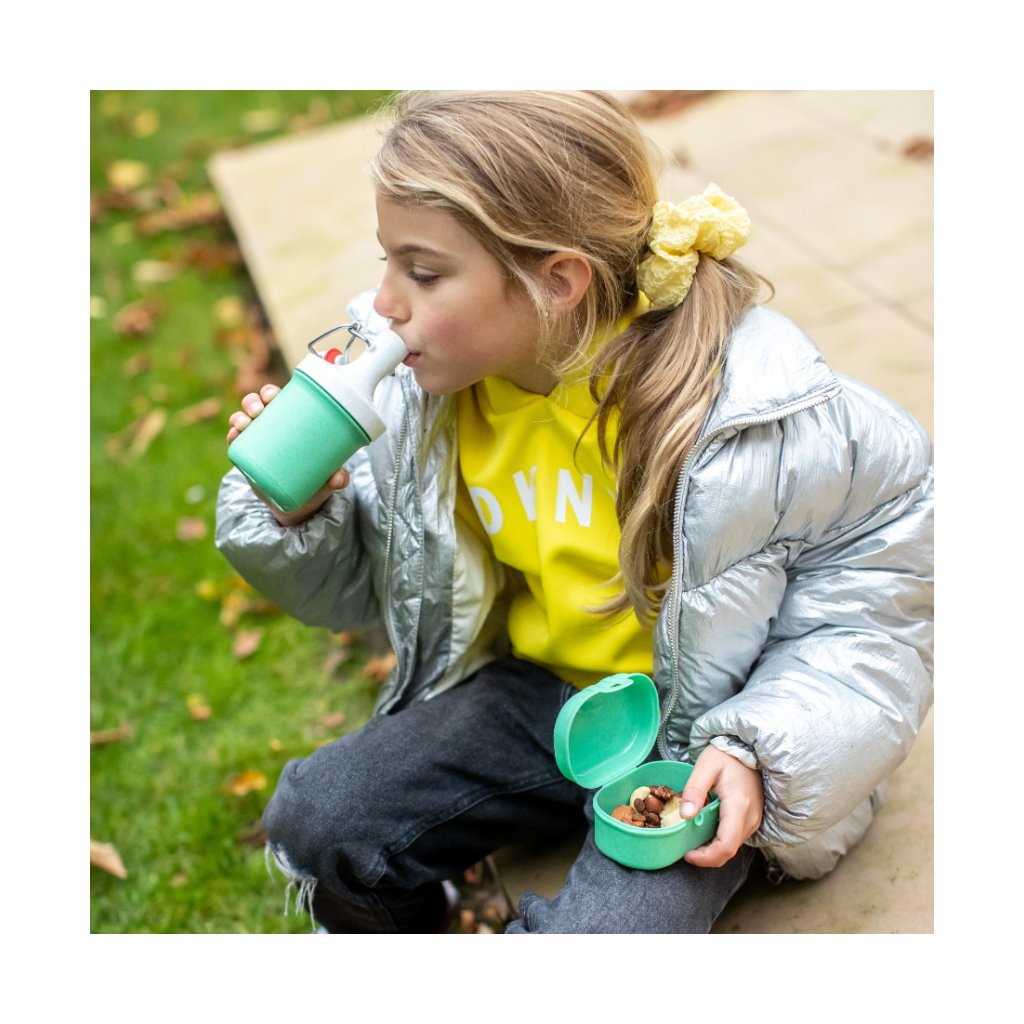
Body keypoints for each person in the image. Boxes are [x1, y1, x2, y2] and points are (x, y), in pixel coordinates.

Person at [215, 90, 934, 934]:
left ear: (557, 281)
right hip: (541, 697)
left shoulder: (761, 417)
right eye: (387, 262)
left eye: (423, 272)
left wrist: (759, 750)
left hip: (698, 733)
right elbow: (360, 590)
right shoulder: (423, 401)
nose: (383, 303)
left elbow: (875, 615)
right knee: (320, 817)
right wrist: (302, 514)